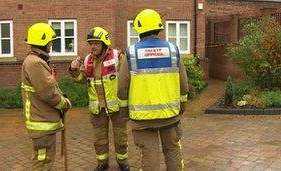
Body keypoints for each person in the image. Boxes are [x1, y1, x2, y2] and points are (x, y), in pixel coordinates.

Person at [118, 9, 189, 171]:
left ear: (139, 31)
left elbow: (122, 88)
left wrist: (124, 112)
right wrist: (181, 107)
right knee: (172, 151)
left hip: (142, 119)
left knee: (149, 154)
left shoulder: (131, 53)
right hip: (170, 115)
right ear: (159, 28)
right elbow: (184, 84)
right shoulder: (173, 50)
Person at [69, 27, 130, 171]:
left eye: (96, 43)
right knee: (99, 139)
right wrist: (74, 70)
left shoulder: (117, 56)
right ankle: (102, 163)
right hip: (97, 108)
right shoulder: (88, 60)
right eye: (91, 43)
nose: (92, 46)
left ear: (104, 44)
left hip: (116, 107)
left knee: (120, 137)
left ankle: (123, 162)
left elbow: (127, 77)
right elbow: (81, 79)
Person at [21, 23, 72, 170]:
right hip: (42, 122)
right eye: (50, 41)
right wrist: (65, 103)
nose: (51, 44)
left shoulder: (34, 60)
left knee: (43, 160)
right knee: (43, 162)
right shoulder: (35, 63)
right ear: (43, 41)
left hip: (41, 122)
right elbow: (49, 92)